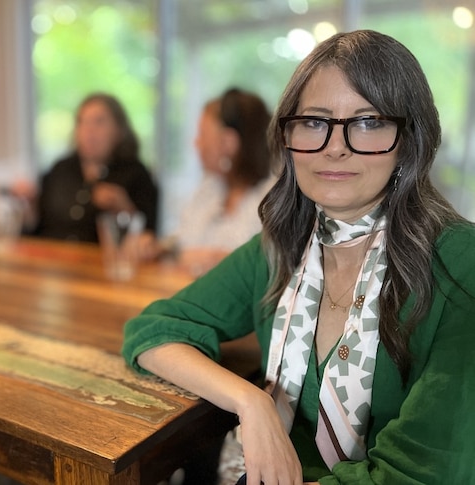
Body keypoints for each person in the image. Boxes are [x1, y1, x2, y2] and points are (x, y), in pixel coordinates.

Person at [122, 30, 475, 484]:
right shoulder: (282, 247)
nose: (334, 146)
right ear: (287, 138)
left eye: (367, 121)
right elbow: (151, 331)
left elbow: (426, 475)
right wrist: (252, 403)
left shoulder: (460, 262)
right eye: (313, 121)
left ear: (408, 140)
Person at [171, 87, 276, 275]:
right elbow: (181, 242)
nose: (196, 143)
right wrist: (158, 247)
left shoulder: (273, 199)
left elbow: (266, 265)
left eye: (202, 135)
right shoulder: (210, 186)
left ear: (229, 143)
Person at [30, 92, 159, 243]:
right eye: (82, 122)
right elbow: (37, 228)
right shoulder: (60, 169)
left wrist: (124, 208)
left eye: (99, 122)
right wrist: (29, 208)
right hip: (53, 259)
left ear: (119, 130)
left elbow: (148, 237)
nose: (89, 131)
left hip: (101, 262)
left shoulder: (136, 174)